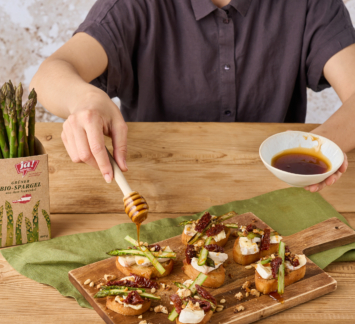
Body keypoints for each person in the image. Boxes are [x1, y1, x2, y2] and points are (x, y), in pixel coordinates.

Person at [30, 0, 355, 192]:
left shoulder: (311, 4)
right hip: (158, 188)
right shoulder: (134, 5)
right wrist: (85, 100)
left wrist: (321, 148)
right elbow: (50, 73)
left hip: (281, 192)